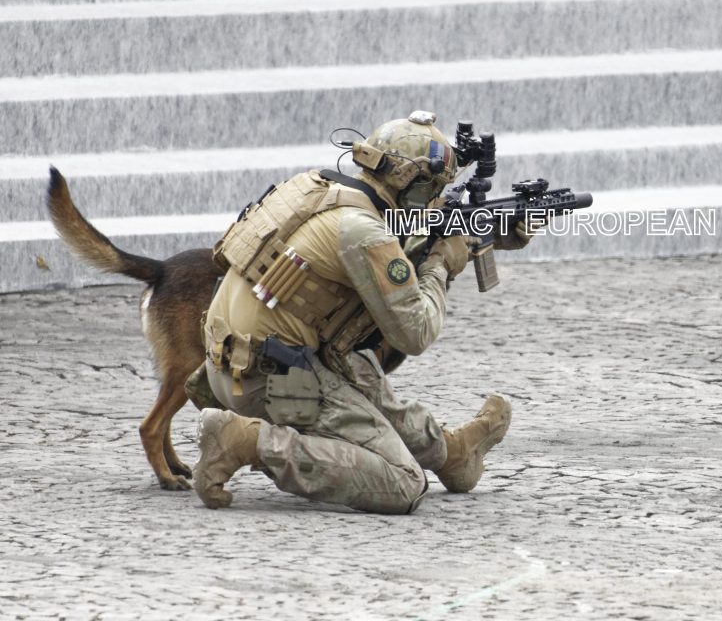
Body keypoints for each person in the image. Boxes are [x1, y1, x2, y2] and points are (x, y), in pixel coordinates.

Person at [193, 112, 531, 514]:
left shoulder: (320, 191)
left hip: (230, 361)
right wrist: (442, 263)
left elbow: (401, 241)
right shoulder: (365, 232)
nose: (437, 200)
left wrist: (489, 231)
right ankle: (248, 442)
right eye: (433, 190)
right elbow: (415, 332)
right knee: (403, 484)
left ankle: (451, 455)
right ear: (413, 183)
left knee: (358, 367)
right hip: (270, 381)